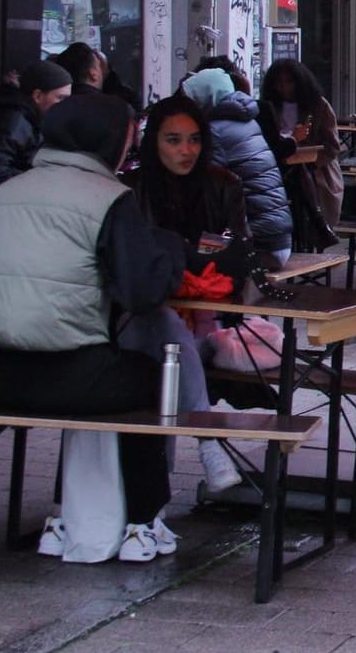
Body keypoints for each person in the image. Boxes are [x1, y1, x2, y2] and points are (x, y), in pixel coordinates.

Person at [0, 94, 188, 563]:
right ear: (109, 141)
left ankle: (62, 517)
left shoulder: (5, 193)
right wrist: (170, 249)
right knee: (149, 377)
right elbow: (142, 291)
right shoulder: (109, 198)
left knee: (109, 374)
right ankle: (142, 521)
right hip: (73, 376)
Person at [118, 93, 250, 492]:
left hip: (205, 308)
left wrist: (184, 256)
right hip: (143, 313)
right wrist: (194, 256)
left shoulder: (223, 184)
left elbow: (234, 251)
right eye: (173, 140)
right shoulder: (130, 189)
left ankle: (159, 490)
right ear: (153, 140)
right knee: (172, 344)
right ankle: (207, 446)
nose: (186, 150)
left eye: (194, 139)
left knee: (180, 347)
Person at [0, 60, 72, 254]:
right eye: (60, 98)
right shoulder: (14, 122)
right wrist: (40, 183)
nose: (65, 106)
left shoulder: (24, 120)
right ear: (37, 96)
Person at [181, 67, 294, 269]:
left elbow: (209, 189)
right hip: (278, 240)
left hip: (256, 245)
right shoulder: (248, 122)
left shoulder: (213, 131)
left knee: (183, 254)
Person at [260, 58, 344, 230]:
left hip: (314, 170)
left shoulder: (318, 105)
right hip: (280, 166)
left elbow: (332, 146)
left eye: (289, 82)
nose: (284, 87)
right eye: (279, 83)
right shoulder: (269, 107)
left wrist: (312, 158)